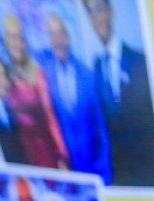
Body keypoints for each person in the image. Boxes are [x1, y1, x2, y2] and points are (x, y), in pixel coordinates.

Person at [85, 0, 154, 188]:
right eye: (90, 13)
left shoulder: (140, 61)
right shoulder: (96, 67)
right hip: (120, 174)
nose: (96, 18)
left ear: (111, 12)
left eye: (99, 10)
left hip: (148, 169)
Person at [44, 13, 111, 183]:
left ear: (68, 37)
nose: (57, 39)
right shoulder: (44, 78)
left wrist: (105, 170)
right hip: (66, 173)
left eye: (60, 33)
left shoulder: (89, 75)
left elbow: (101, 126)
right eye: (52, 34)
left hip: (93, 169)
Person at [0, 15, 69, 170]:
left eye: (19, 37)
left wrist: (61, 155)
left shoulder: (37, 75)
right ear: (5, 41)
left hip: (45, 154)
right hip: (22, 157)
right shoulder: (6, 77)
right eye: (11, 37)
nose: (16, 42)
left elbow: (51, 118)